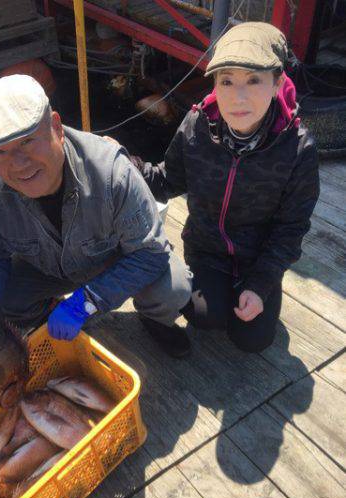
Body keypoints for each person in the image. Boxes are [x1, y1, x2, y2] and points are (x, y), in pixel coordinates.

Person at [0, 75, 193, 358]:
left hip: (113, 260)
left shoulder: (113, 173)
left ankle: (153, 319)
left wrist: (84, 303)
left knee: (173, 289)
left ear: (57, 128)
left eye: (28, 141)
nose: (19, 164)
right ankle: (48, 320)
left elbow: (149, 254)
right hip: (46, 267)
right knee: (4, 302)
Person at [128, 22, 320, 352]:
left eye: (254, 80)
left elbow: (291, 228)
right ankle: (215, 289)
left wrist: (261, 285)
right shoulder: (196, 125)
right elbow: (167, 180)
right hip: (206, 252)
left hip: (257, 259)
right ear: (215, 83)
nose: (238, 96)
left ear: (277, 83)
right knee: (204, 317)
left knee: (252, 340)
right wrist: (122, 162)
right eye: (227, 80)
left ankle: (261, 293)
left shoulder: (298, 149)